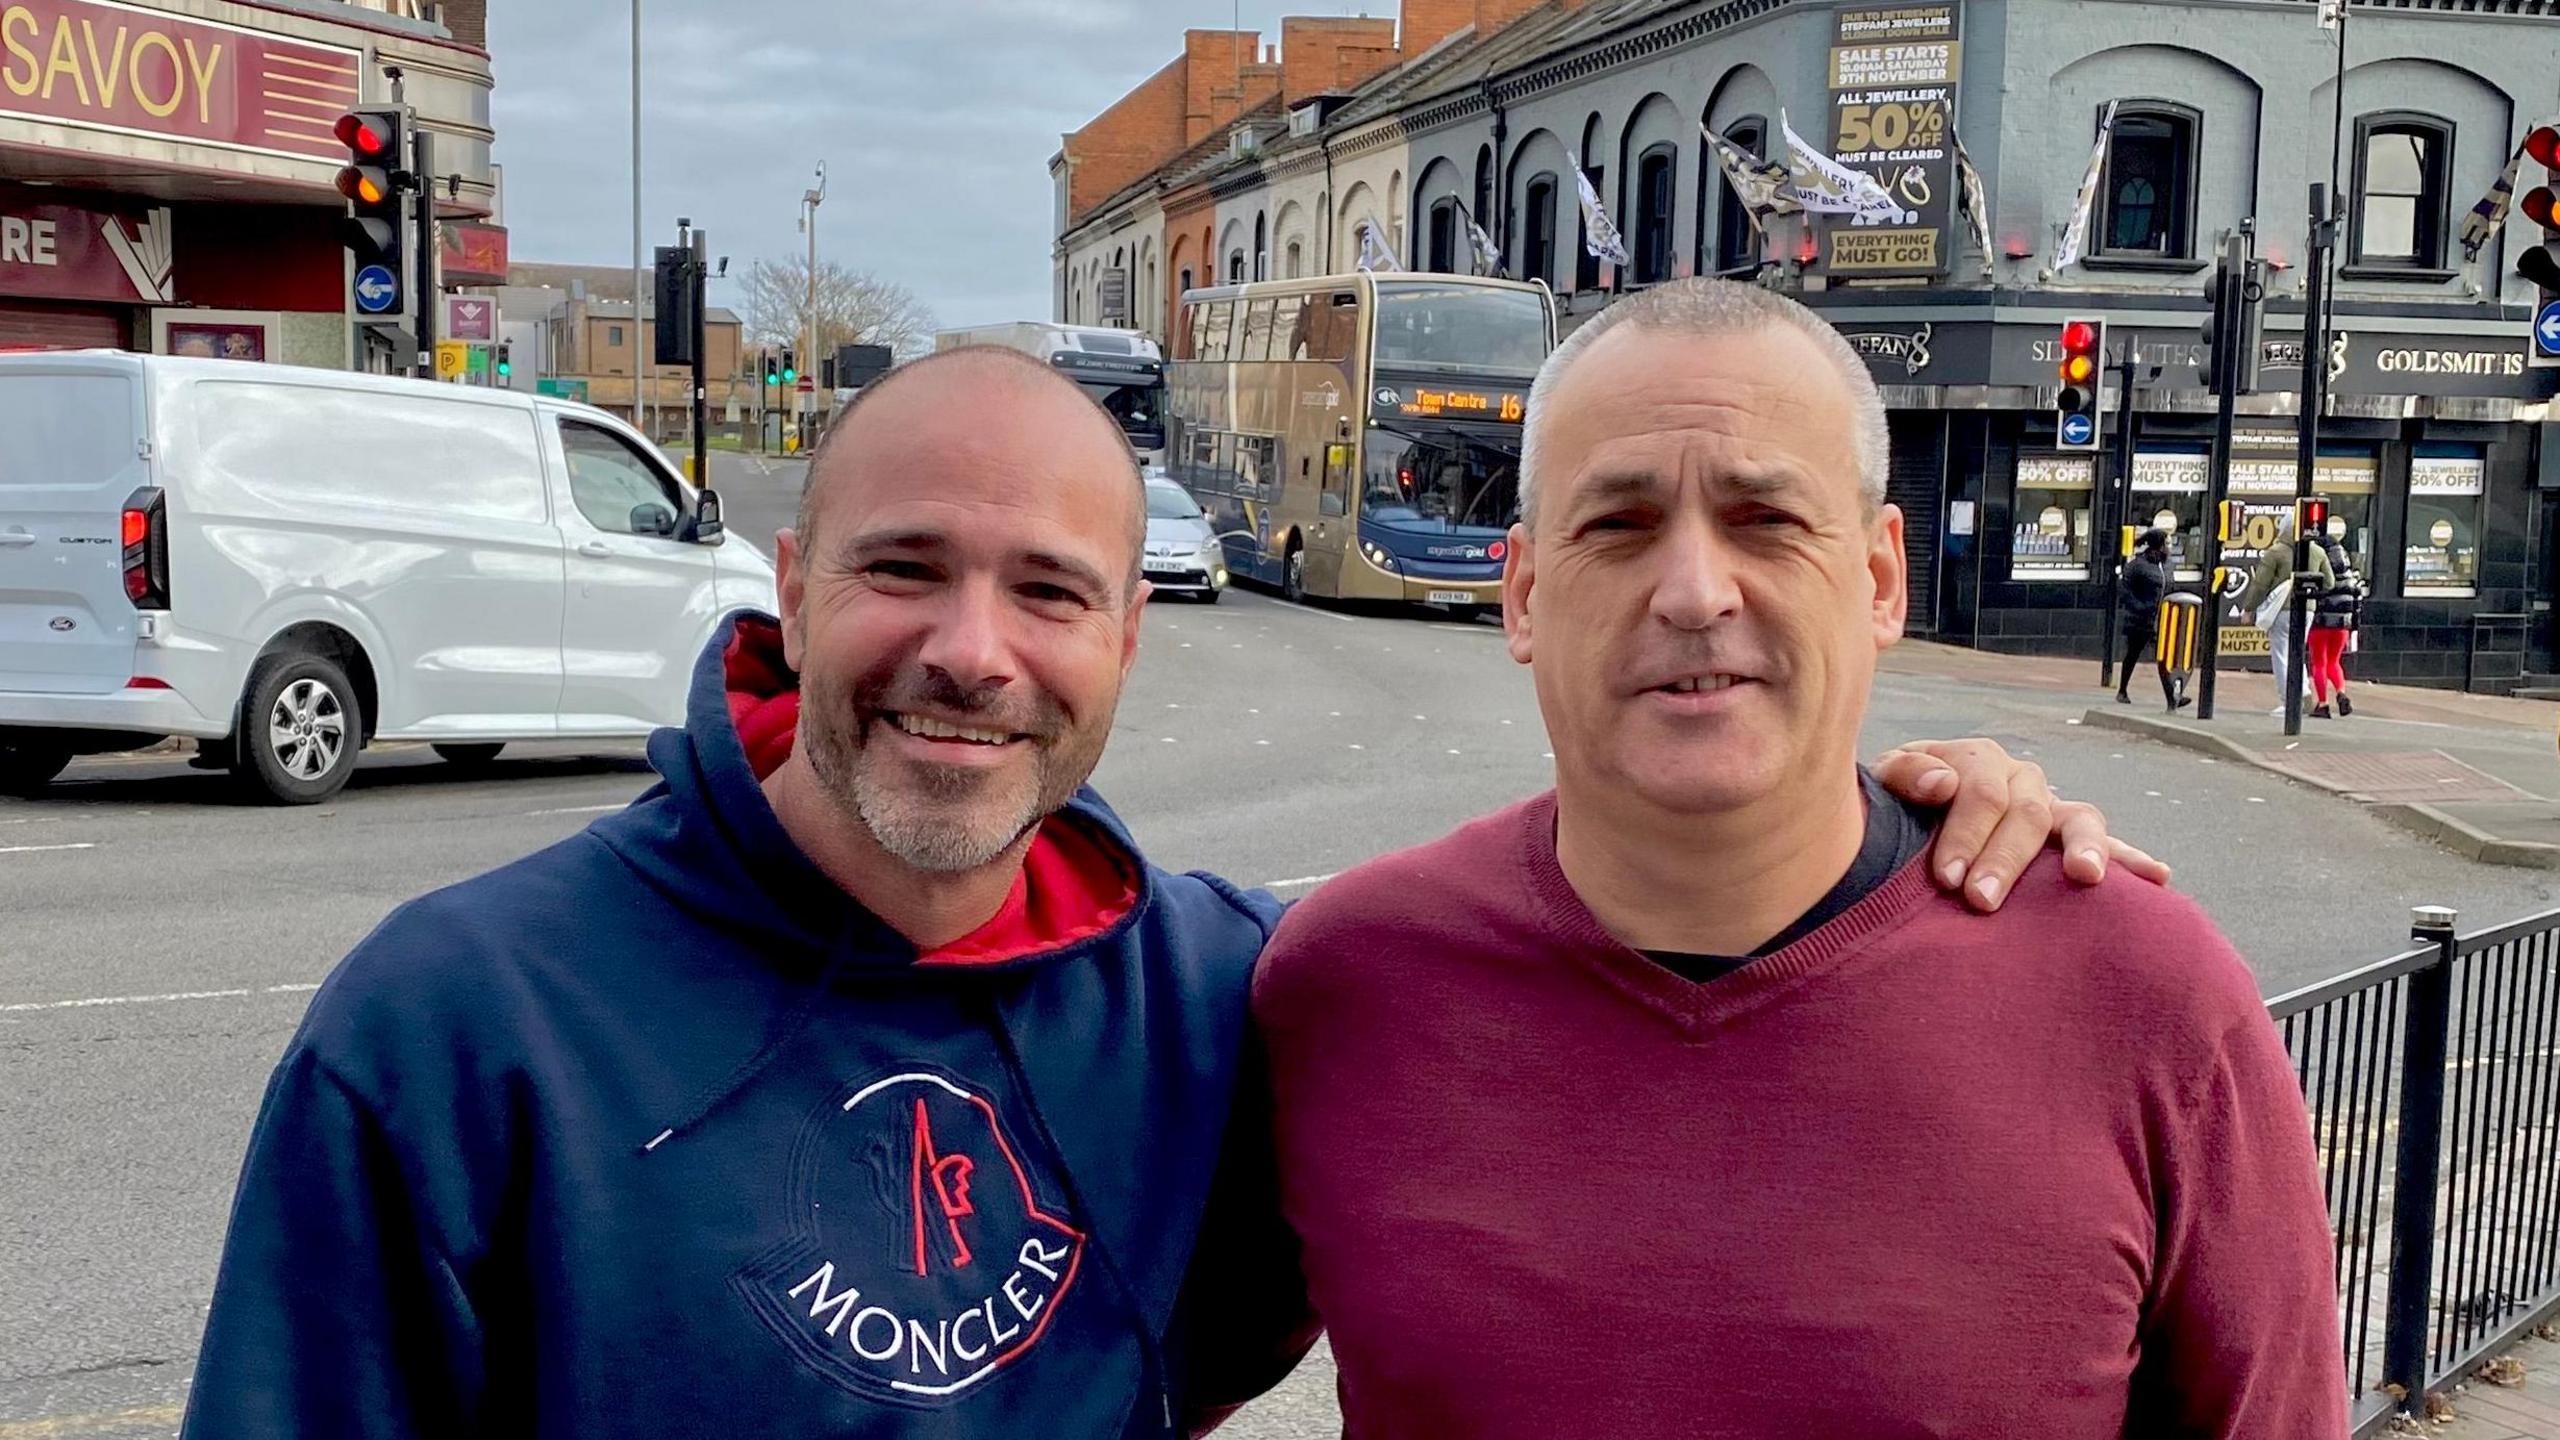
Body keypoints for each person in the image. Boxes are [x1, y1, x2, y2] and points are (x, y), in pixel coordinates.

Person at [182, 346, 2147, 1439]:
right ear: (786, 585)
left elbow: (1621, 1015)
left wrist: (1897, 818)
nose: (971, 648)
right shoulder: (450, 1028)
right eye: (902, 569)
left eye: (1046, 591)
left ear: (1130, 631)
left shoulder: (1237, 992)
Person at [1254, 281, 2345, 1437]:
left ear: (1879, 579)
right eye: (1617, 526)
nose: (1692, 591)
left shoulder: (2146, 996)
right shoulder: (1344, 981)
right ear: (1521, 593)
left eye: (1765, 520)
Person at [2244, 515, 2333, 719]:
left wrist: (2249, 608)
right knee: (2296, 652)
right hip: (2307, 609)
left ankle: (2289, 700)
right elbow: (2329, 582)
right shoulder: (2318, 552)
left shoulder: (2275, 553)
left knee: (2281, 654)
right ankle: (2303, 692)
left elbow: (2260, 584)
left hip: (2282, 608)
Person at [2116, 527, 2185, 711]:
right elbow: (2124, 589)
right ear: (2159, 546)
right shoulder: (2138, 565)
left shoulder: (2168, 565)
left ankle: (2172, 697)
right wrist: (2137, 607)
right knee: (2132, 654)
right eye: (2167, 543)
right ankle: (2122, 690)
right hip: (2140, 620)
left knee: (2164, 658)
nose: (2170, 547)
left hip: (2161, 620)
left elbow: (2170, 587)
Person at [2310, 529, 2365, 719]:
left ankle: (2323, 703)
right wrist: (2353, 627)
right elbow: (2357, 603)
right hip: (2342, 625)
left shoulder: (2320, 571)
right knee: (2334, 661)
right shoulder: (2350, 576)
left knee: (2319, 663)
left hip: (2320, 622)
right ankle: (2341, 692)